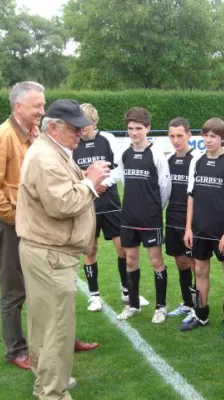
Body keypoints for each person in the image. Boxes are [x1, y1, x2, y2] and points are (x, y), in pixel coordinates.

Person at [16, 99, 111, 399]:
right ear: (54, 128)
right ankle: (53, 393)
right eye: (74, 128)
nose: (81, 133)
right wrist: (91, 183)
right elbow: (61, 204)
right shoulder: (46, 156)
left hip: (47, 251)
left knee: (45, 325)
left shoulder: (52, 150)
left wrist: (86, 180)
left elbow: (62, 191)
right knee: (56, 329)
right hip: (50, 254)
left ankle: (46, 383)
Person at [0, 81, 45, 370]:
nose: (42, 110)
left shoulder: (32, 133)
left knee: (43, 285)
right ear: (18, 107)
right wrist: (15, 219)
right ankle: (16, 350)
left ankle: (52, 340)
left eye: (42, 104)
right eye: (37, 106)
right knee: (14, 290)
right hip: (11, 225)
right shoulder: (3, 136)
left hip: (33, 224)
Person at [73, 103, 149, 312]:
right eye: (79, 125)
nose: (81, 129)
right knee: (91, 250)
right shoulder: (74, 142)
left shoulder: (107, 139)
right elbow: (72, 173)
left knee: (123, 249)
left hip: (111, 205)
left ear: (95, 122)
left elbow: (119, 167)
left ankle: (127, 291)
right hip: (86, 205)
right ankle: (94, 296)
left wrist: (102, 182)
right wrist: (88, 182)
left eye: (85, 125)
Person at [181, 118, 224, 337]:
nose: (208, 140)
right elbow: (191, 196)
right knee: (199, 271)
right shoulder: (196, 161)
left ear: (223, 139)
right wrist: (188, 228)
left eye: (213, 136)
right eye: (205, 135)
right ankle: (201, 313)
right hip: (199, 230)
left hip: (222, 232)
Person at [116, 107, 171, 324]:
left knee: (156, 261)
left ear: (147, 128)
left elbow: (164, 187)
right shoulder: (125, 153)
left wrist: (155, 209)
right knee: (130, 260)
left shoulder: (156, 154)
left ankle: (160, 307)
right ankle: (133, 305)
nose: (134, 132)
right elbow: (122, 180)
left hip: (150, 219)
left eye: (138, 128)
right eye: (130, 128)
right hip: (128, 217)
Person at [164, 117, 201, 317]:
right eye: (172, 136)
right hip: (172, 217)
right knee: (180, 261)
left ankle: (198, 306)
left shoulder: (197, 160)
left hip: (192, 220)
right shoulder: (168, 160)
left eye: (180, 135)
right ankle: (187, 303)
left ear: (189, 135)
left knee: (194, 263)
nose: (176, 140)